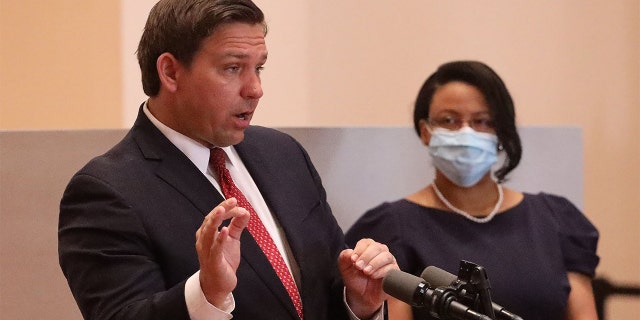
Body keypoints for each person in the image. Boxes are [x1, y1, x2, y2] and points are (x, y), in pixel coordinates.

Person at [57, 1, 398, 319]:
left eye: (258, 68)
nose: (255, 89)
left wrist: (357, 303)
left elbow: (322, 287)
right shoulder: (107, 192)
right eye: (233, 68)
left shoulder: (284, 154)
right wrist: (206, 294)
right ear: (170, 72)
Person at [345, 60, 600, 320]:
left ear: (501, 133)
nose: (466, 132)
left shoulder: (556, 219)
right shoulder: (391, 228)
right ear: (426, 131)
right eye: (449, 120)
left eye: (482, 121)